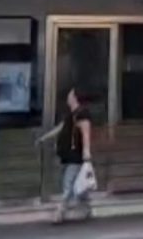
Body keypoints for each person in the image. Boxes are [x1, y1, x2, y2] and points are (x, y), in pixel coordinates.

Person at [36, 87, 95, 223]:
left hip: (76, 156)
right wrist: (44, 138)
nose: (68, 97)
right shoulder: (71, 115)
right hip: (67, 155)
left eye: (70, 95)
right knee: (76, 184)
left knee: (68, 183)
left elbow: (86, 133)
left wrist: (86, 152)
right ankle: (86, 208)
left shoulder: (82, 114)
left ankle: (59, 212)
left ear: (75, 98)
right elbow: (60, 128)